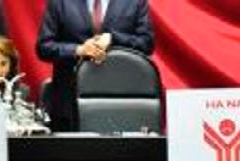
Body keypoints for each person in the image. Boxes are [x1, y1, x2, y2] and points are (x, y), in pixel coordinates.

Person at [36, 0, 155, 131]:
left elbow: (146, 43)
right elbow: (44, 47)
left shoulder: (135, 2)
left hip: (122, 99)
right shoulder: (60, 3)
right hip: (69, 103)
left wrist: (114, 39)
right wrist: (79, 50)